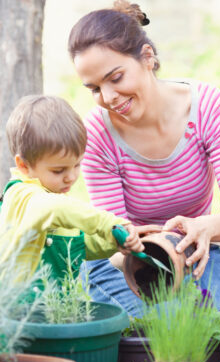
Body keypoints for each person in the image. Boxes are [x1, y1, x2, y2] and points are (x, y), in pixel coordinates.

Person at [68, 0, 220, 316]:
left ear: (147, 57)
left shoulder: (207, 106)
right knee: (161, 331)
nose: (109, 97)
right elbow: (117, 234)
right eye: (95, 88)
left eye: (115, 78)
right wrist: (146, 247)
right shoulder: (98, 134)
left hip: (192, 251)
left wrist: (205, 227)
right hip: (126, 262)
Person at [0, 95, 140, 283]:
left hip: (53, 307)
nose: (72, 177)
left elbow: (80, 245)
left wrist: (116, 241)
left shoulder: (52, 199)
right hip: (16, 308)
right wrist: (109, 223)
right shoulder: (22, 195)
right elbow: (55, 208)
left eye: (77, 165)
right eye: (58, 170)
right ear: (24, 165)